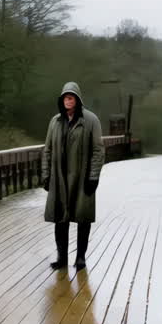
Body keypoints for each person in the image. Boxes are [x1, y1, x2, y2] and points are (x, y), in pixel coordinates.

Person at [41, 81, 104, 269]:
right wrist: (46, 175)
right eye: (65, 98)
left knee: (82, 218)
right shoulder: (55, 121)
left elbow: (98, 150)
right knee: (60, 219)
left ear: (77, 99)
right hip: (59, 179)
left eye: (71, 97)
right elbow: (47, 150)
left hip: (82, 177)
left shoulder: (91, 120)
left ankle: (80, 257)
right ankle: (62, 258)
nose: (68, 100)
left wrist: (93, 176)